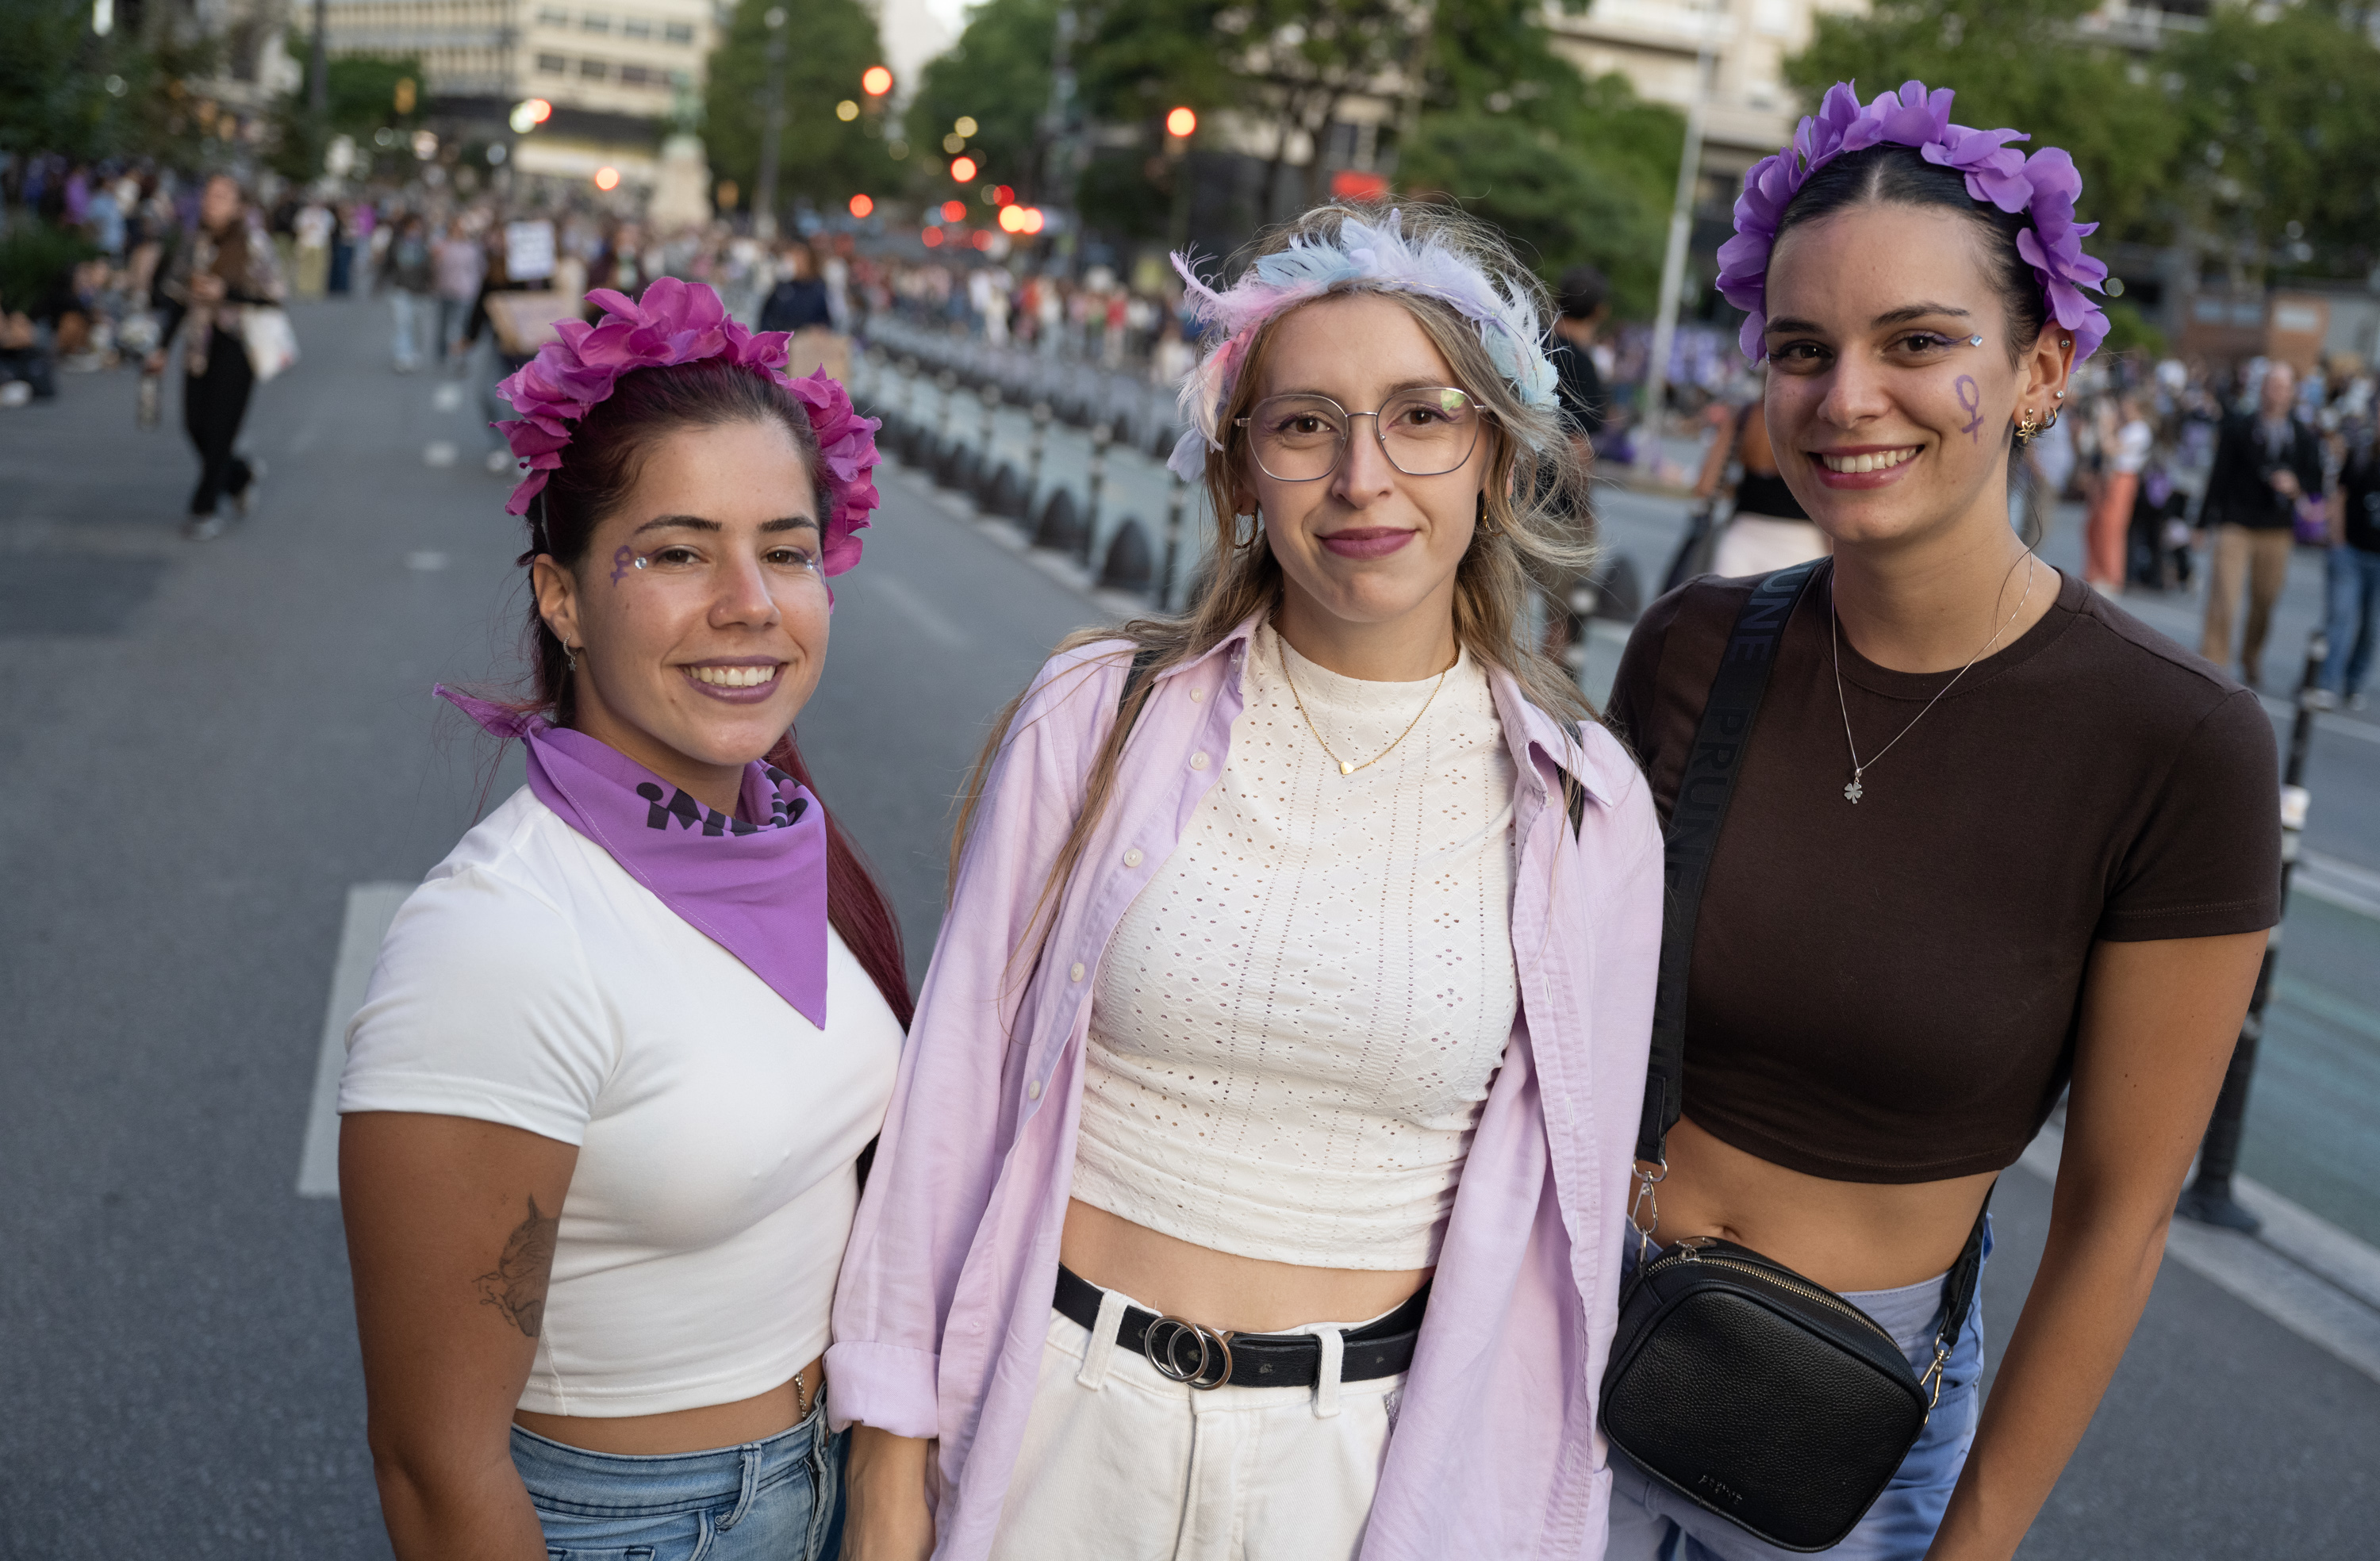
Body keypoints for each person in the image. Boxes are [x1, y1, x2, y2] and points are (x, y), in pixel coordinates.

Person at [831, 203, 1662, 1561]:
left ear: (1498, 458)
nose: (1362, 477)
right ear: (1237, 475)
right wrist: (887, 1449)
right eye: (1304, 425)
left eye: (1423, 417)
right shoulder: (1098, 715)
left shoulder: (1584, 807)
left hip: (1353, 1471)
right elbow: (954, 1088)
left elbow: (1560, 1234)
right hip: (1054, 1425)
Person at [1606, 80, 2278, 1560]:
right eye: (1801, 349)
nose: (1846, 398)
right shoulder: (1693, 645)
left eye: (1917, 342)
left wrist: (1967, 1543)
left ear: (2041, 369)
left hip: (1841, 1456)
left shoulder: (2178, 742)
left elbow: (2116, 1219)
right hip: (1559, 1359)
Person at [338, 279, 905, 1560]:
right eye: (679, 551)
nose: (750, 602)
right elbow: (434, 1467)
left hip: (833, 1479)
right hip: (642, 1527)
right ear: (561, 596)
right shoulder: (496, 941)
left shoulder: (779, 832)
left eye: (786, 549)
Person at [147, 174, 286, 540]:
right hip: (199, 347)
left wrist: (227, 292)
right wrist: (162, 347)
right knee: (195, 425)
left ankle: (204, 508)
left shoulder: (254, 244)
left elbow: (274, 295)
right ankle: (239, 476)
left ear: (239, 206)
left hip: (239, 348)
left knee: (222, 429)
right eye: (209, 195)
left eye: (222, 197)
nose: (212, 203)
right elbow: (176, 297)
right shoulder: (194, 243)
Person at [2198, 360, 2324, 687]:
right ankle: (2213, 665)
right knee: (2224, 595)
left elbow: (2316, 480)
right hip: (2236, 522)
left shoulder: (2302, 436)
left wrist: (2295, 485)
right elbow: (2218, 476)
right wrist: (2202, 523)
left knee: (2265, 600)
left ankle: (2251, 655)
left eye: (2284, 386)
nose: (2277, 392)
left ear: (2293, 392)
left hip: (2276, 528)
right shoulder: (2239, 427)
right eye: (2272, 385)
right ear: (2263, 388)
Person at [1690, 364, 1832, 578]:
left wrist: (1745, 488)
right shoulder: (1817, 421)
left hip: (1741, 541)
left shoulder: (1744, 416)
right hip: (1802, 544)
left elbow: (1705, 487)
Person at [2320, 431, 2380, 710]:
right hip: (2351, 551)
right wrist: (2337, 541)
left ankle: (2353, 682)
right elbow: (2339, 496)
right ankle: (2326, 682)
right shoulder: (2361, 455)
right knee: (2340, 617)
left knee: (2371, 627)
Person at [1548, 263, 1610, 460]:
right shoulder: (1583, 366)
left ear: (1557, 300)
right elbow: (1579, 444)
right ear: (1600, 311)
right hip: (1551, 475)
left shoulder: (1529, 343)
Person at [378, 213, 436, 374]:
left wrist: (433, 284)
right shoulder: (397, 244)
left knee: (417, 325)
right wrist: (379, 283)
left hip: (421, 291)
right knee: (402, 323)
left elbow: (431, 269)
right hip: (401, 289)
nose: (414, 230)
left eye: (417, 227)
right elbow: (387, 264)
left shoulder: (426, 245)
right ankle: (402, 357)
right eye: (411, 227)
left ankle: (414, 352)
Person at [432, 217, 486, 369]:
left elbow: (480, 269)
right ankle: (442, 354)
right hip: (445, 291)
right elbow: (435, 268)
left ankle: (460, 356)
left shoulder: (472, 248)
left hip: (465, 292)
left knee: (460, 326)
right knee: (443, 324)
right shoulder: (443, 246)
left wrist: (474, 287)